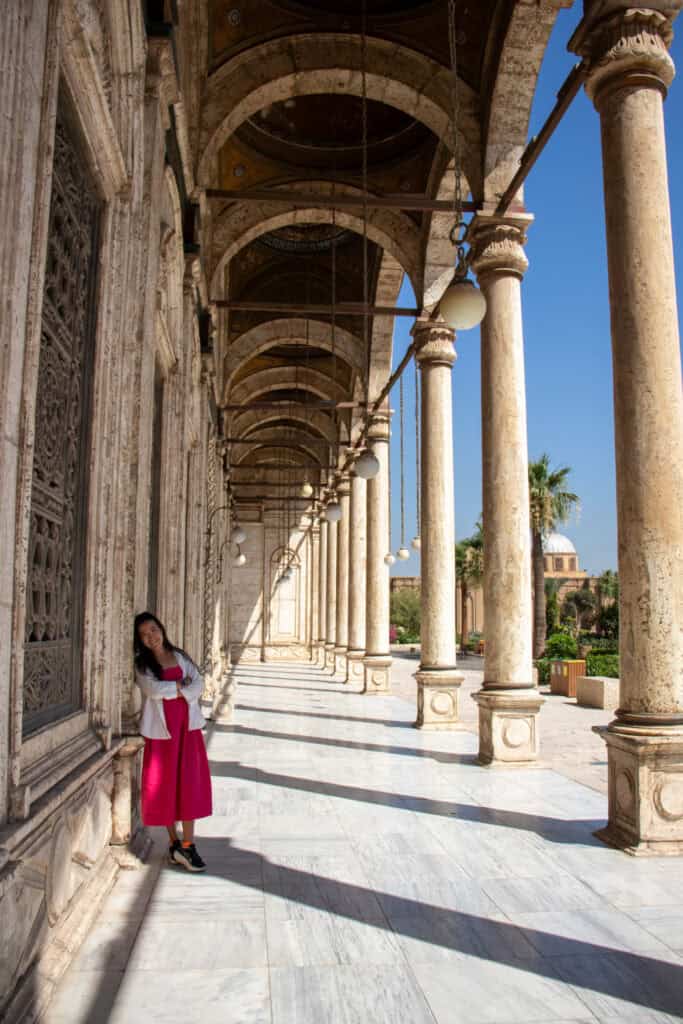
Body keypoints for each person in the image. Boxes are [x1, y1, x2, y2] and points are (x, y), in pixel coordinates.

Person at [134, 611, 212, 872]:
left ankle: (188, 844)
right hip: (163, 734)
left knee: (189, 782)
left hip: (187, 729)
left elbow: (198, 683)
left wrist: (177, 690)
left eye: (153, 630)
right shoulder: (143, 665)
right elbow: (152, 690)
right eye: (144, 635)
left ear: (161, 628)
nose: (151, 637)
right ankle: (174, 843)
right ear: (140, 640)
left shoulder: (179, 656)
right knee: (165, 785)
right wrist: (180, 687)